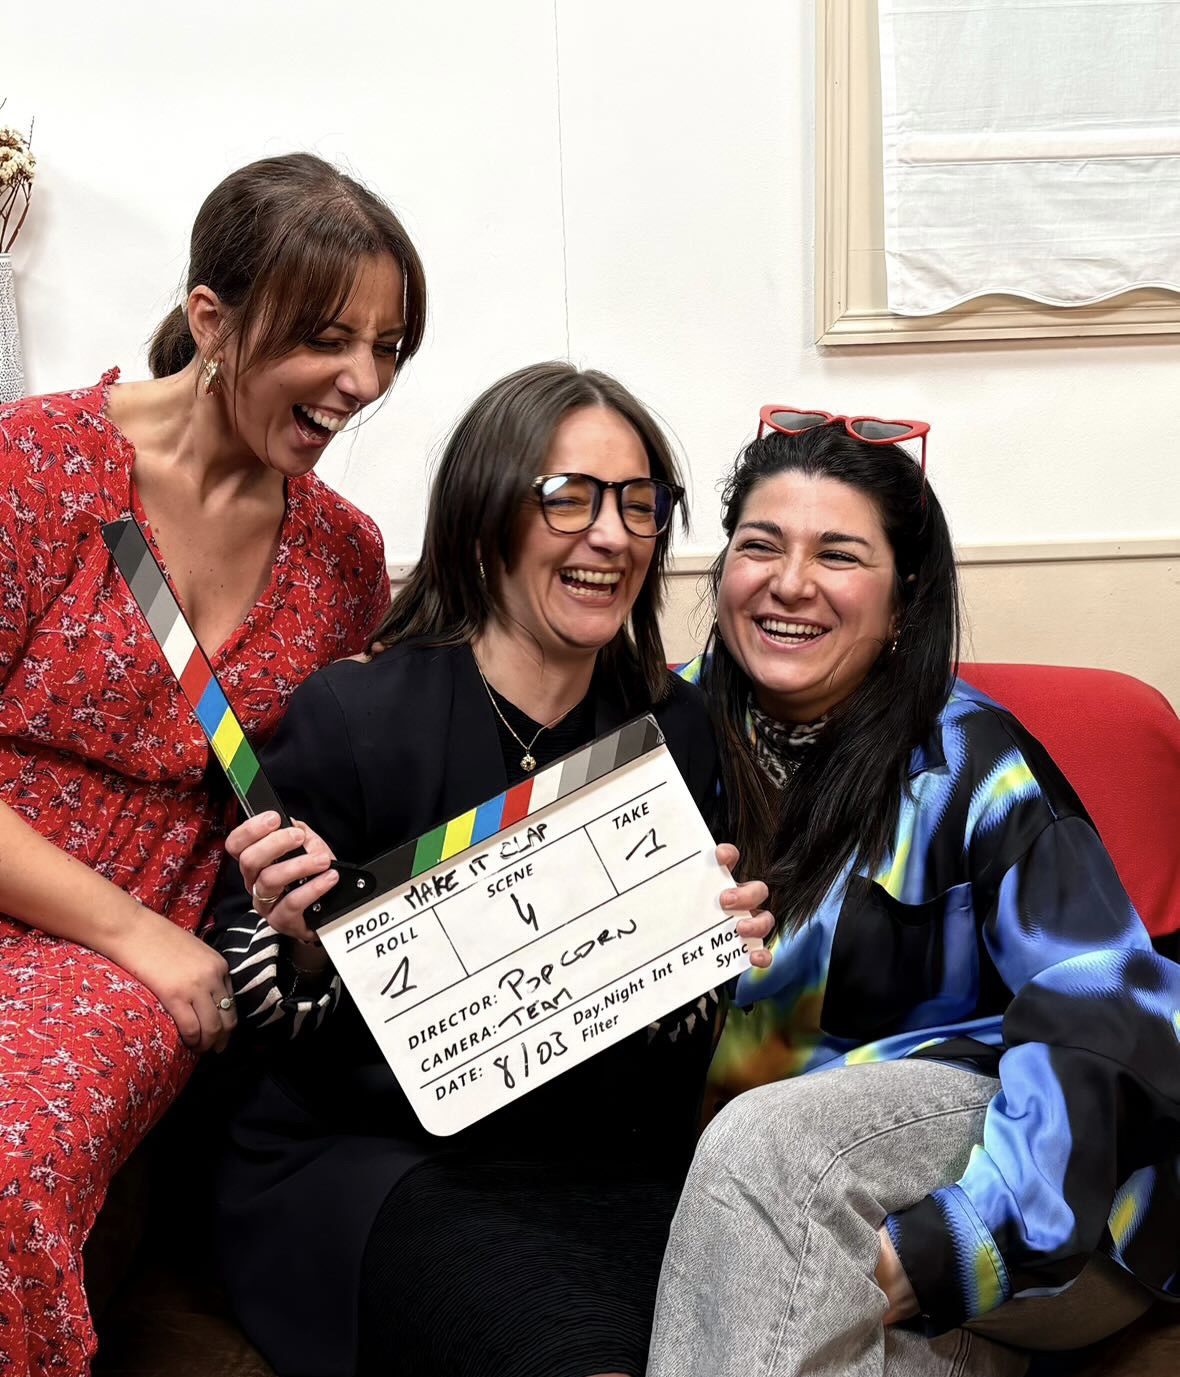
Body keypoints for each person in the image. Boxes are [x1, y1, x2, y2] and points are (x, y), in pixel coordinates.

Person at [212, 361, 774, 1377]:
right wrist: (298, 952)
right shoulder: (354, 719)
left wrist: (703, 954)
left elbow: (662, 1042)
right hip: (374, 1159)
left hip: (597, 1160)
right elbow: (255, 1012)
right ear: (484, 517)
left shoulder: (670, 729)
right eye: (569, 497)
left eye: (640, 505)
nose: (611, 533)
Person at [0, 151, 426, 1375]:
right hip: (92, 911)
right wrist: (134, 934)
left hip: (151, 943)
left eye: (389, 346)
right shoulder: (32, 467)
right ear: (213, 324)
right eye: (327, 337)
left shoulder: (345, 558)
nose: (361, 380)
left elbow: (338, 793)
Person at [646, 409, 1180, 1377]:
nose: (790, 583)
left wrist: (949, 1252)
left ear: (903, 603)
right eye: (759, 545)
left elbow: (1108, 1020)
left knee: (771, 1141)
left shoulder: (974, 758)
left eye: (838, 555)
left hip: (1040, 1189)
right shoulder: (653, 750)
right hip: (752, 1212)